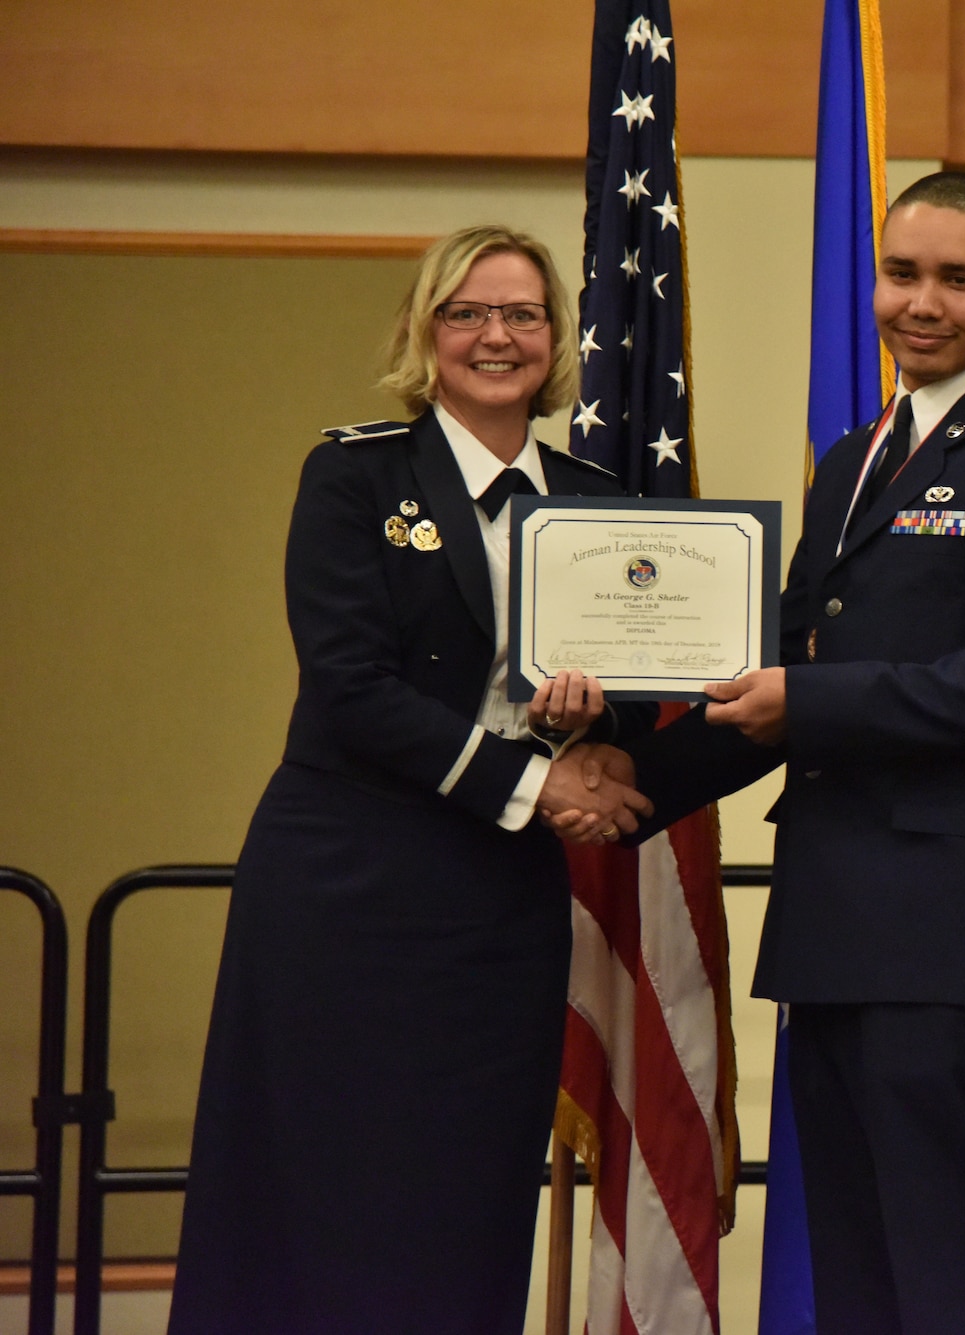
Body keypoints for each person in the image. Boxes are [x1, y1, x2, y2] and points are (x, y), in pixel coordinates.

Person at [556, 172, 965, 1334]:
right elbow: (768, 665)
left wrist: (804, 703)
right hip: (839, 928)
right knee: (859, 1266)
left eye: (957, 279)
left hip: (953, 933)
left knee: (951, 1261)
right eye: (902, 274)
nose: (923, 303)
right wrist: (633, 780)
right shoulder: (855, 456)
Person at [169, 224, 655, 1335]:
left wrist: (590, 722)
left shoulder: (594, 495)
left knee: (468, 1190)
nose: (497, 336)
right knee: (318, 1183)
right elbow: (349, 687)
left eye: (523, 315)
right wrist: (538, 790)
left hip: (495, 904)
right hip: (349, 885)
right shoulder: (351, 475)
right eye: (467, 313)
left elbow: (626, 683)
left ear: (556, 338)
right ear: (424, 333)